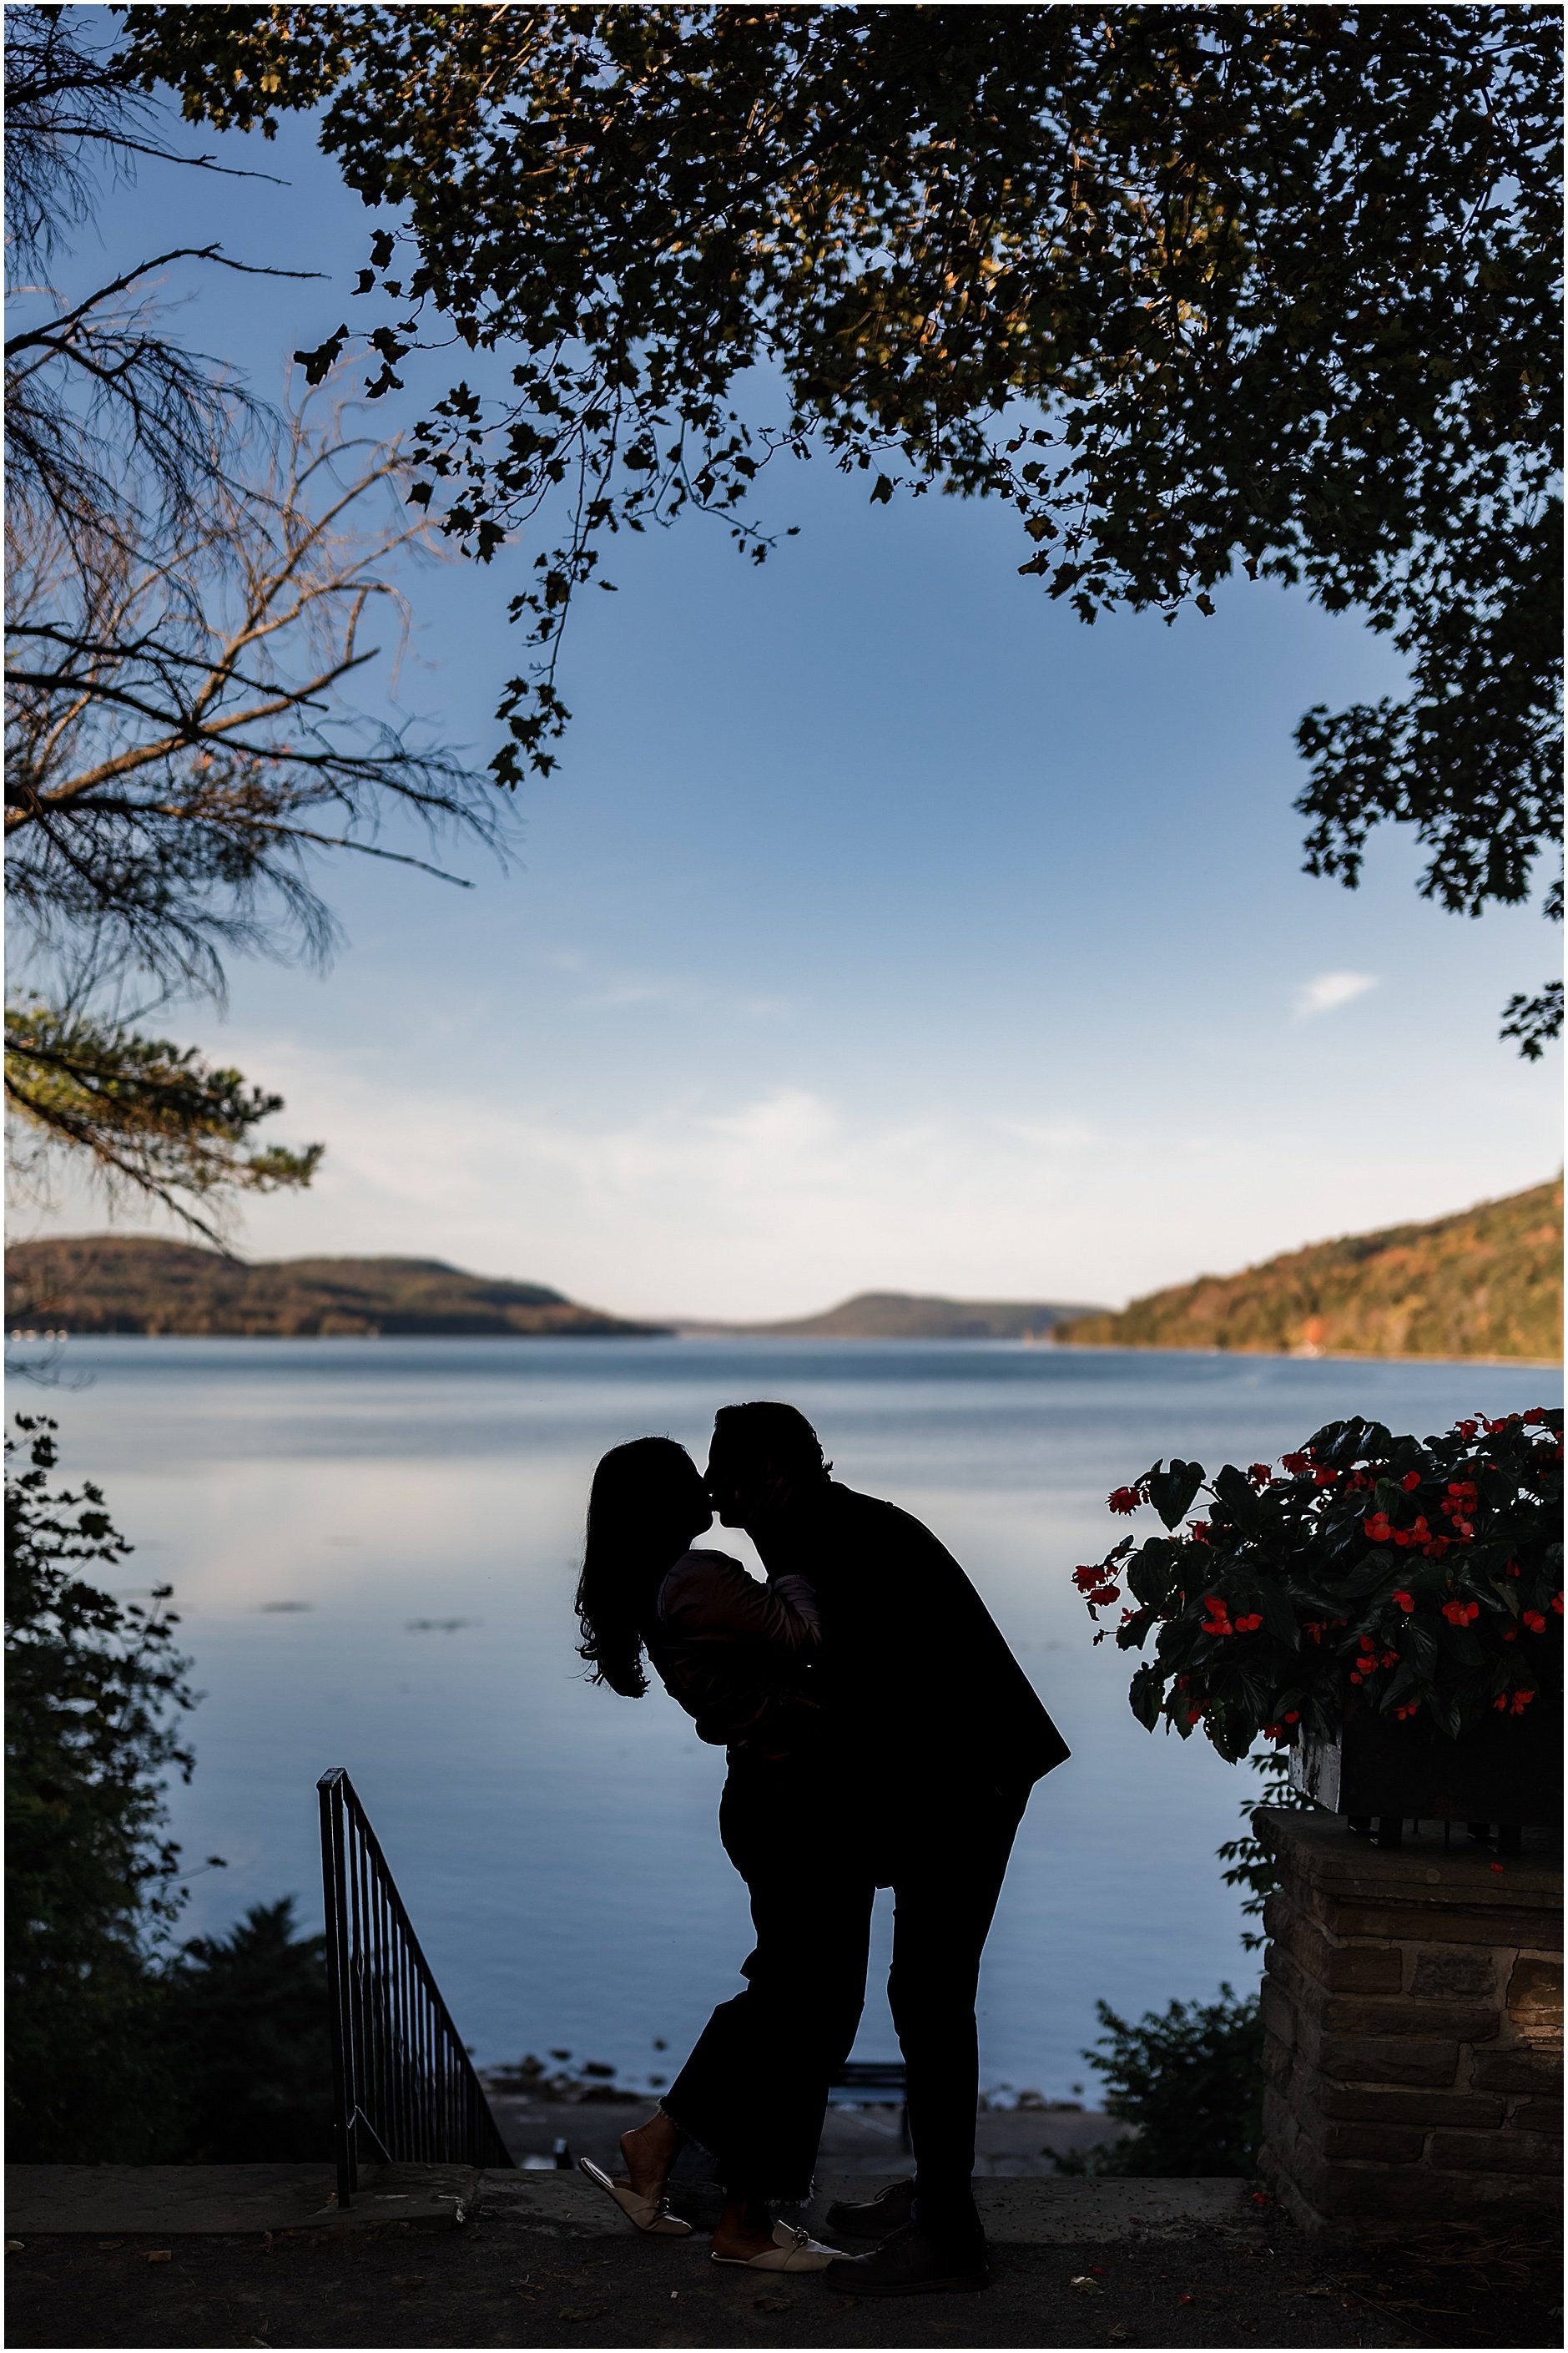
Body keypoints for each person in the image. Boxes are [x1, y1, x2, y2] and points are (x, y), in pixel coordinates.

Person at [704, 1400, 1070, 2296]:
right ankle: (936, 2197)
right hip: (950, 1772)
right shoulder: (833, 1528)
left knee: (931, 1996)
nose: (722, 1507)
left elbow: (860, 1703)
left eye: (732, 1486)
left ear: (777, 1477)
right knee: (925, 1994)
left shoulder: (829, 1547)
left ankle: (949, 2238)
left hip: (970, 1777)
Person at [572, 1435, 855, 2273]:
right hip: (790, 1797)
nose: (702, 1480)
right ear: (660, 1499)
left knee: (789, 1991)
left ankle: (657, 2145)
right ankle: (744, 2221)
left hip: (768, 1795)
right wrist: (801, 1559)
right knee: (804, 2002)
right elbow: (808, 1631)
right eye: (681, 1472)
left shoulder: (662, 1582)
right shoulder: (695, 1575)